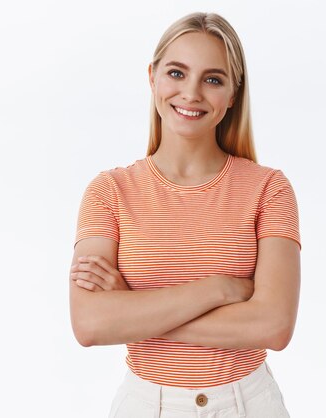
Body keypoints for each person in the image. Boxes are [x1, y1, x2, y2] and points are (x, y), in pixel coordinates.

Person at [69, 12, 301, 418]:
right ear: (153, 77)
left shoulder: (269, 189)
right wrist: (217, 290)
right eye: (177, 73)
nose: (191, 93)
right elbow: (90, 324)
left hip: (248, 404)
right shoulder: (109, 192)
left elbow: (274, 327)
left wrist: (132, 311)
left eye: (212, 79)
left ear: (232, 94)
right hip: (146, 404)